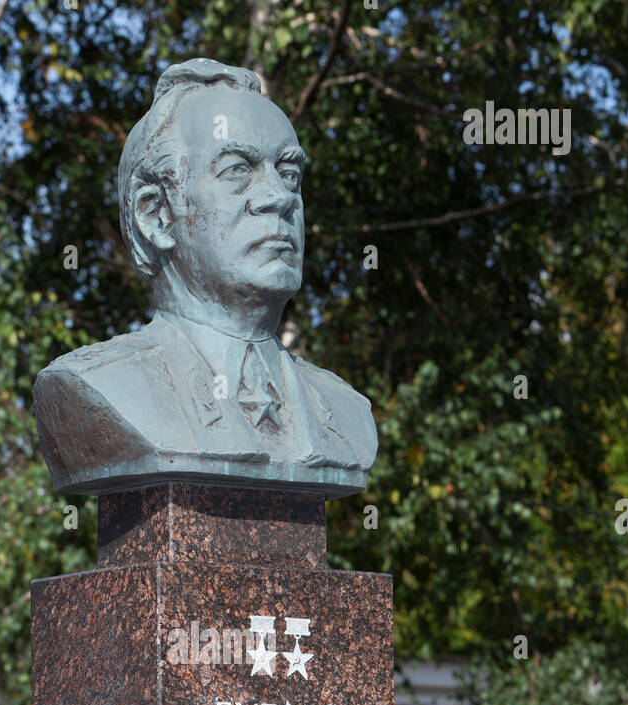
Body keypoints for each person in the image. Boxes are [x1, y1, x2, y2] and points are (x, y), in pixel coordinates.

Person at [34, 57, 378, 497]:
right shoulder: (94, 387)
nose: (278, 197)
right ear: (156, 215)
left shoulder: (346, 412)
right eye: (237, 170)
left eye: (289, 173)